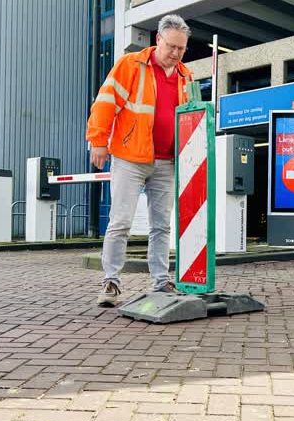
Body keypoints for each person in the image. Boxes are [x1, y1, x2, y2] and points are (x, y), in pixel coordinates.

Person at [86, 14, 193, 307]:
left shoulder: (186, 76)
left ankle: (161, 282)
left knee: (162, 226)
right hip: (130, 157)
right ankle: (111, 282)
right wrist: (98, 141)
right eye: (171, 46)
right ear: (158, 39)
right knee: (120, 222)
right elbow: (105, 102)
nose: (175, 53)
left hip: (167, 161)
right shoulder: (130, 65)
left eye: (181, 48)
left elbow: (189, 117)